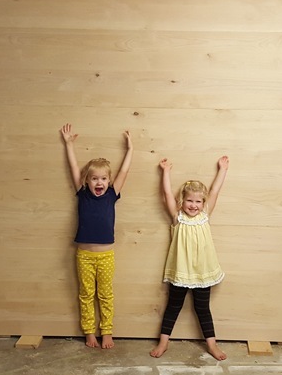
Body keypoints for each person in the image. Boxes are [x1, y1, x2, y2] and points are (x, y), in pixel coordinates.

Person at [60, 123, 133, 349]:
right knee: (86, 294)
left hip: (106, 256)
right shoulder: (82, 194)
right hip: (84, 255)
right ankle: (89, 331)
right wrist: (69, 144)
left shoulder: (112, 194)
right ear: (87, 181)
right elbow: (73, 168)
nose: (99, 183)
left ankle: (107, 331)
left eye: (103, 179)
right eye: (94, 179)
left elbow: (124, 171)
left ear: (109, 181)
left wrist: (130, 150)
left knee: (105, 295)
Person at [150, 155, 229, 361]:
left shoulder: (205, 215)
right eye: (189, 201)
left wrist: (223, 169)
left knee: (202, 308)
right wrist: (165, 172)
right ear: (182, 201)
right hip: (182, 271)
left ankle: (211, 344)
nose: (193, 205)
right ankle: (164, 341)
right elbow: (166, 193)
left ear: (203, 203)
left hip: (203, 271)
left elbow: (215, 191)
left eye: (197, 201)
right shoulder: (178, 218)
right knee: (173, 306)